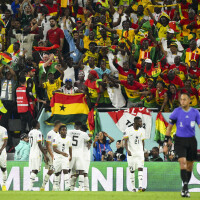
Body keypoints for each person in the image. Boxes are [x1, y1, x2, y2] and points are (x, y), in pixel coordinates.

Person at [165, 93, 200, 197]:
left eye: (184, 99)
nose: (182, 101)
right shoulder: (176, 111)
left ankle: (185, 187)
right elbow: (169, 128)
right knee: (183, 162)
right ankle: (185, 187)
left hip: (192, 141)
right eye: (181, 99)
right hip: (179, 141)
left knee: (189, 166)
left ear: (189, 100)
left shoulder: (195, 112)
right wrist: (165, 143)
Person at [67, 121, 91, 191]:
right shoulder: (84, 134)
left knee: (69, 171)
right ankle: (82, 187)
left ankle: (69, 186)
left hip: (71, 153)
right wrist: (90, 142)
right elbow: (90, 141)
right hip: (81, 155)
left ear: (74, 126)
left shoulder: (69, 132)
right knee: (81, 171)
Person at [124, 117, 145, 192]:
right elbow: (125, 142)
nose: (141, 123)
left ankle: (140, 187)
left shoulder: (142, 130)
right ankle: (133, 188)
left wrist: (142, 151)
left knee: (140, 168)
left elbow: (142, 141)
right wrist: (127, 150)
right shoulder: (128, 130)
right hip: (131, 154)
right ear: (135, 122)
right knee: (132, 170)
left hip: (139, 153)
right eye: (140, 122)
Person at [40, 120, 62, 191]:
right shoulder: (50, 133)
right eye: (60, 126)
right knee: (51, 171)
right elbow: (48, 145)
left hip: (58, 155)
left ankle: (56, 188)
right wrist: (52, 155)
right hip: (51, 154)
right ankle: (43, 186)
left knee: (58, 171)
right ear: (57, 125)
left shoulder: (59, 134)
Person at [28, 120, 49, 191]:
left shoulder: (30, 132)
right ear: (36, 124)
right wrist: (45, 155)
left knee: (33, 170)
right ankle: (29, 187)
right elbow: (39, 144)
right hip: (37, 153)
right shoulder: (38, 132)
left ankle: (30, 187)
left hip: (31, 152)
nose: (40, 125)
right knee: (35, 170)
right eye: (39, 124)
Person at [52, 125, 72, 191]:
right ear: (59, 131)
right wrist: (62, 153)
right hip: (57, 157)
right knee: (57, 172)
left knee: (65, 170)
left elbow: (70, 148)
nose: (64, 131)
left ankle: (67, 186)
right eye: (62, 130)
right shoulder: (55, 138)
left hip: (65, 157)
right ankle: (56, 186)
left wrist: (71, 155)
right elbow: (54, 149)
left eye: (65, 130)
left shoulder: (69, 138)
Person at [0, 125, 8, 191]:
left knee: (3, 168)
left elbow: (5, 141)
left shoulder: (3, 129)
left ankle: (4, 185)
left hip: (1, 152)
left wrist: (1, 150)